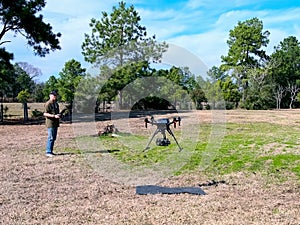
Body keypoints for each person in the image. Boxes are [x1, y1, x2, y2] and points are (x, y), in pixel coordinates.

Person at [43, 90, 61, 157]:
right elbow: (45, 113)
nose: (55, 97)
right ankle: (48, 152)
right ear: (50, 96)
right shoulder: (48, 104)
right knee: (50, 137)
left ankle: (51, 151)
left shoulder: (56, 104)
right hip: (50, 123)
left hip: (56, 123)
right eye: (53, 95)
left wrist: (58, 115)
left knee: (54, 137)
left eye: (55, 95)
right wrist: (53, 116)